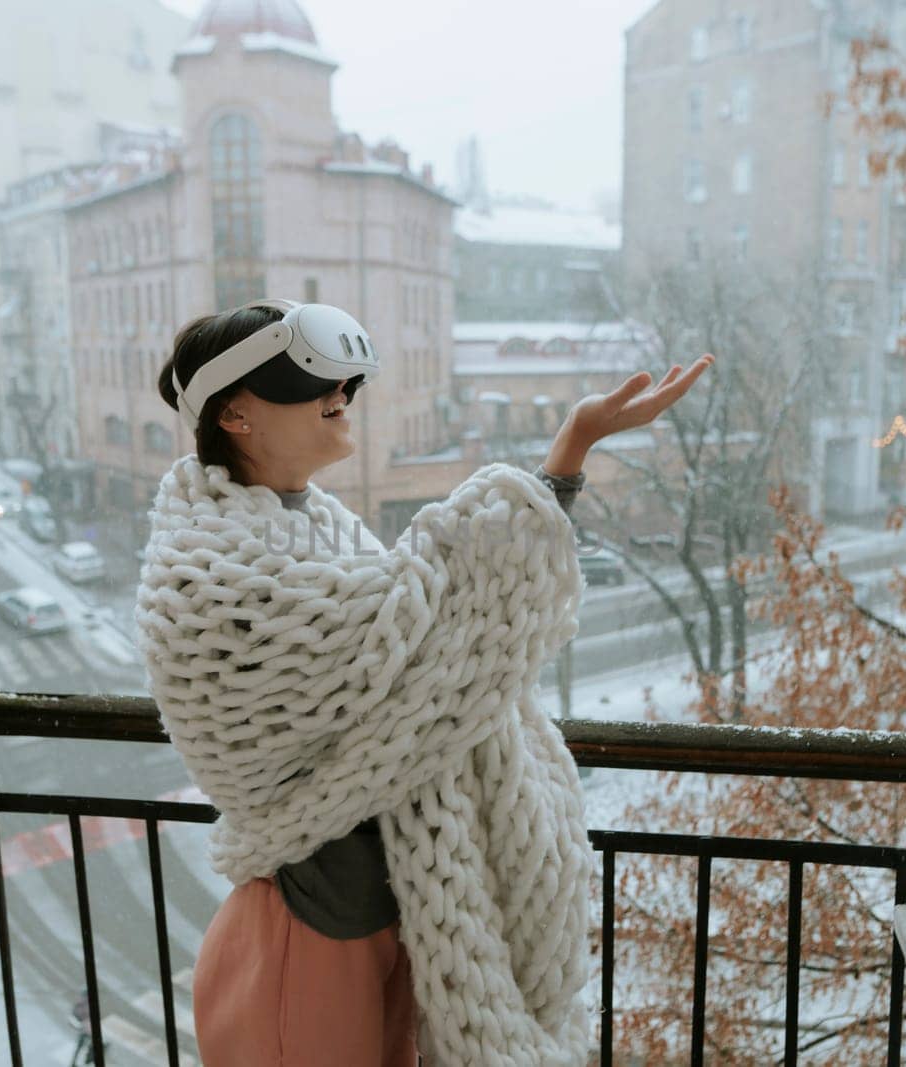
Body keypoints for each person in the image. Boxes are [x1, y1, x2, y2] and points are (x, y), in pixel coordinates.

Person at [135, 300, 713, 1066]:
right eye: (307, 382)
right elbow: (431, 642)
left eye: (344, 381)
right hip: (309, 941)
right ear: (236, 413)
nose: (339, 395)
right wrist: (561, 463)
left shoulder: (323, 529)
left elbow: (439, 642)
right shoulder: (203, 576)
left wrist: (572, 447)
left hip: (404, 911)